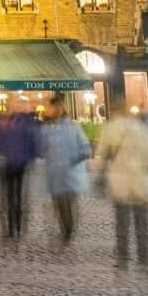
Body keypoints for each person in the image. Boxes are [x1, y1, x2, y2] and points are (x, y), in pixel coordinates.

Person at [96, 107, 148, 267]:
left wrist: (100, 172)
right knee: (141, 222)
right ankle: (143, 256)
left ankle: (122, 257)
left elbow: (101, 153)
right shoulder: (142, 130)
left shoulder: (110, 129)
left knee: (122, 222)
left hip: (120, 182)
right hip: (139, 182)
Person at [39, 95, 89, 244]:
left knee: (68, 202)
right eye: (51, 107)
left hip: (71, 173)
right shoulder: (47, 128)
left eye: (56, 107)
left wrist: (74, 160)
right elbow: (42, 148)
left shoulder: (73, 126)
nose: (53, 110)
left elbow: (85, 148)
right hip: (55, 174)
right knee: (60, 203)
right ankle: (66, 230)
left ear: (62, 108)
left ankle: (69, 229)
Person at [0, 107, 39, 240]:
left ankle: (15, 225)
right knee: (13, 196)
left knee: (13, 196)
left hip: (14, 166)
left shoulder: (9, 128)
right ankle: (14, 226)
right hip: (14, 166)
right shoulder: (20, 127)